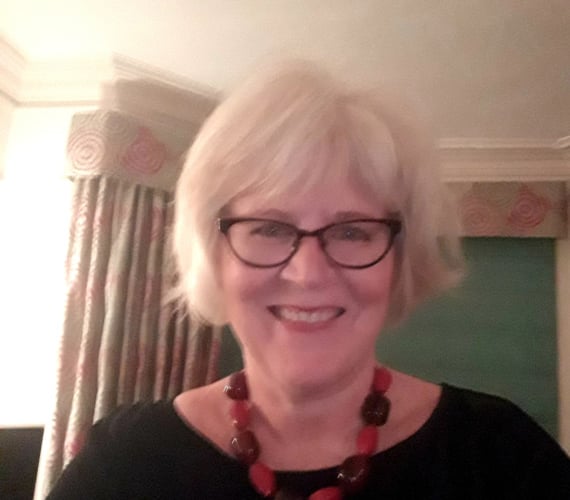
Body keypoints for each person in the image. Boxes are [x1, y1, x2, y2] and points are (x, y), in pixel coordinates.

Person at [48, 61, 570, 499]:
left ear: (399, 257)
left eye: (352, 231)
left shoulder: (503, 456)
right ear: (214, 251)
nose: (308, 273)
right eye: (270, 228)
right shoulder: (124, 463)